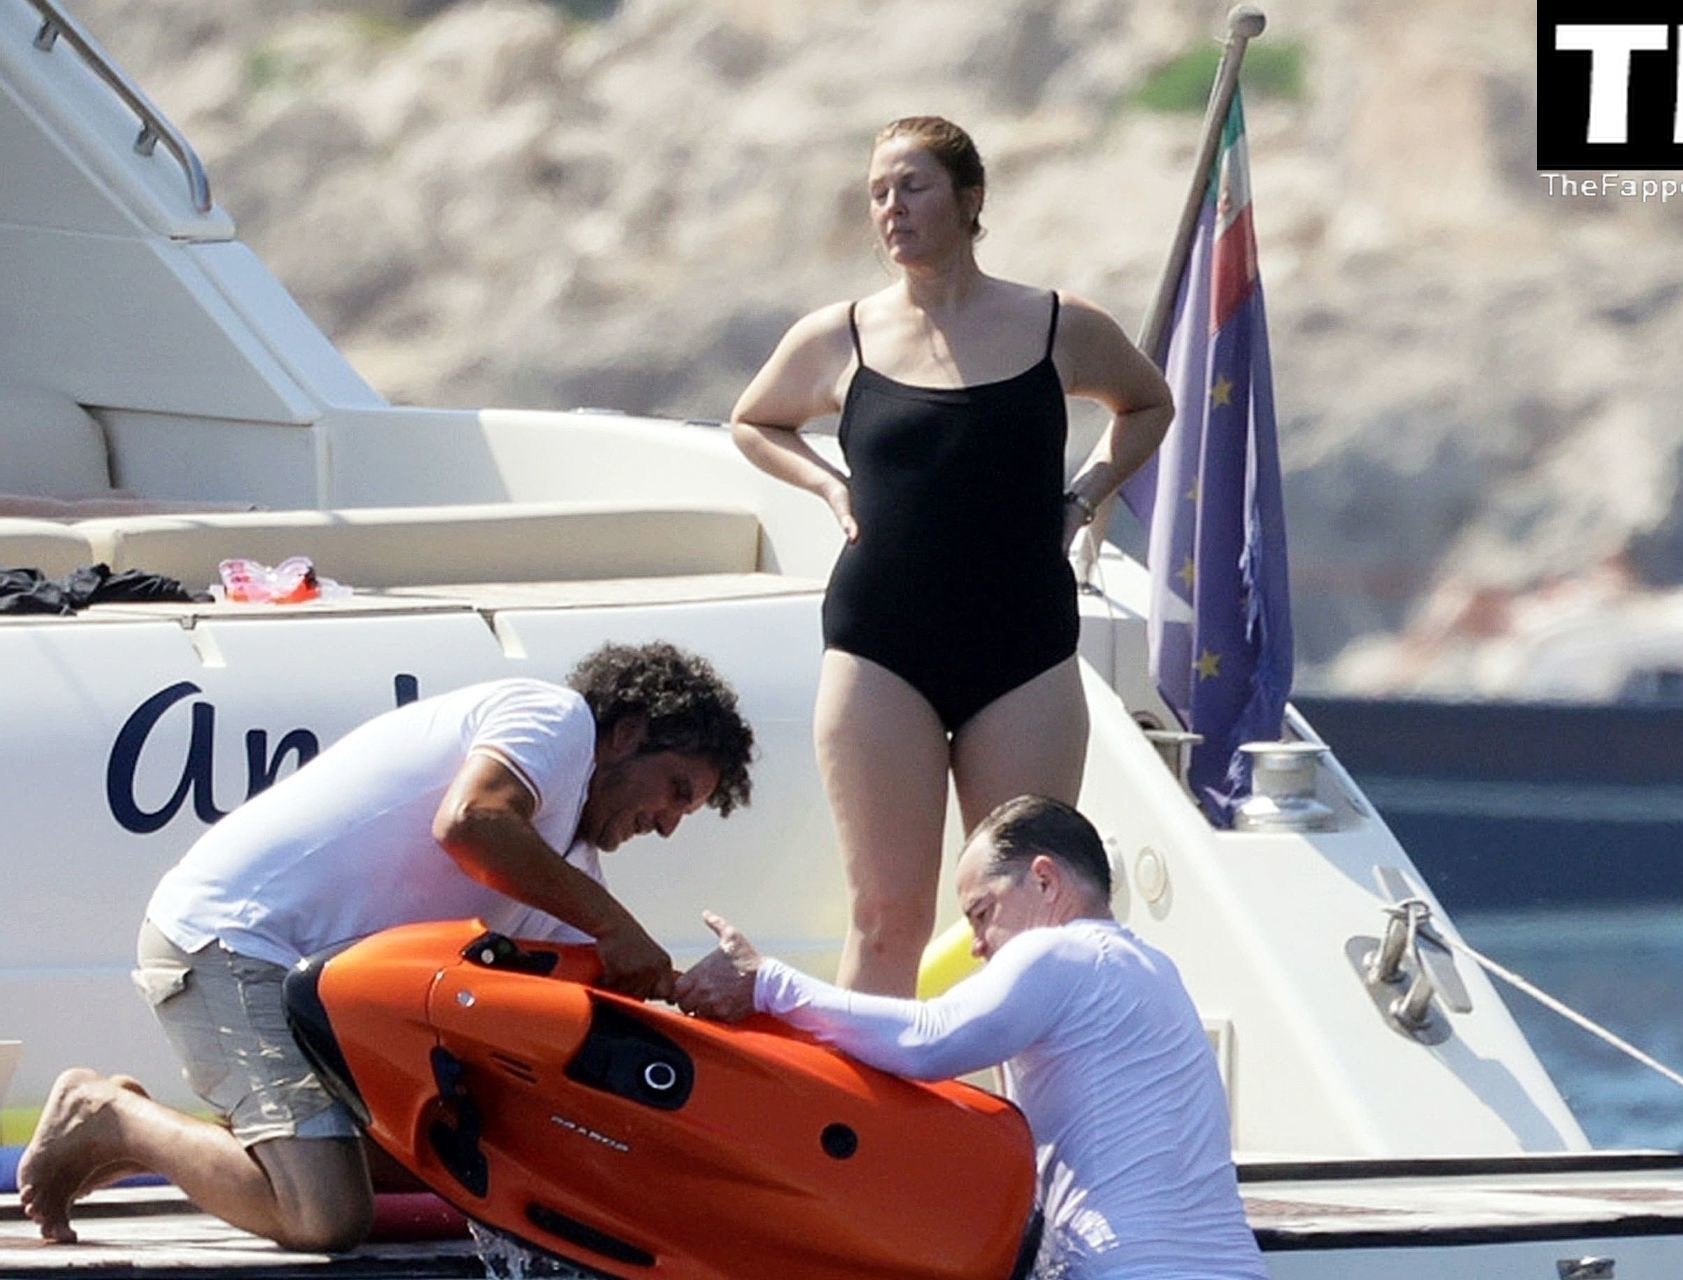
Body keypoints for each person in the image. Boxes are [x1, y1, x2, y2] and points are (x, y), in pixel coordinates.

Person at [18, 641, 754, 1252]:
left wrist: (711, 999)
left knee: (455, 1145)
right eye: (676, 790)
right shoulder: (554, 718)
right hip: (232, 937)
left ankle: (213, 1141)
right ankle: (109, 1116)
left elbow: (609, 996)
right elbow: (470, 822)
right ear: (626, 734)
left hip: (302, 985)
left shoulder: (565, 870)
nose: (668, 825)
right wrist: (618, 928)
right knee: (325, 1218)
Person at [730, 116, 1175, 997]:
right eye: (878, 193)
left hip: (1024, 650)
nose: (891, 208)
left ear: (970, 200)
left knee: (1032, 925)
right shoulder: (842, 334)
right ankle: (866, 1093)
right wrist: (829, 487)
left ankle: (1027, 1092)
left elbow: (1148, 404)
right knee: (885, 917)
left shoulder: (1057, 325)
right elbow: (754, 420)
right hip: (880, 646)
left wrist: (1085, 497)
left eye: (913, 186)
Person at [674, 795, 1265, 1279]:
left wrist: (768, 983)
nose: (978, 946)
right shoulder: (1153, 969)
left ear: (1044, 880)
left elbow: (930, 1039)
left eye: (982, 913)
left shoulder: (1061, 952)